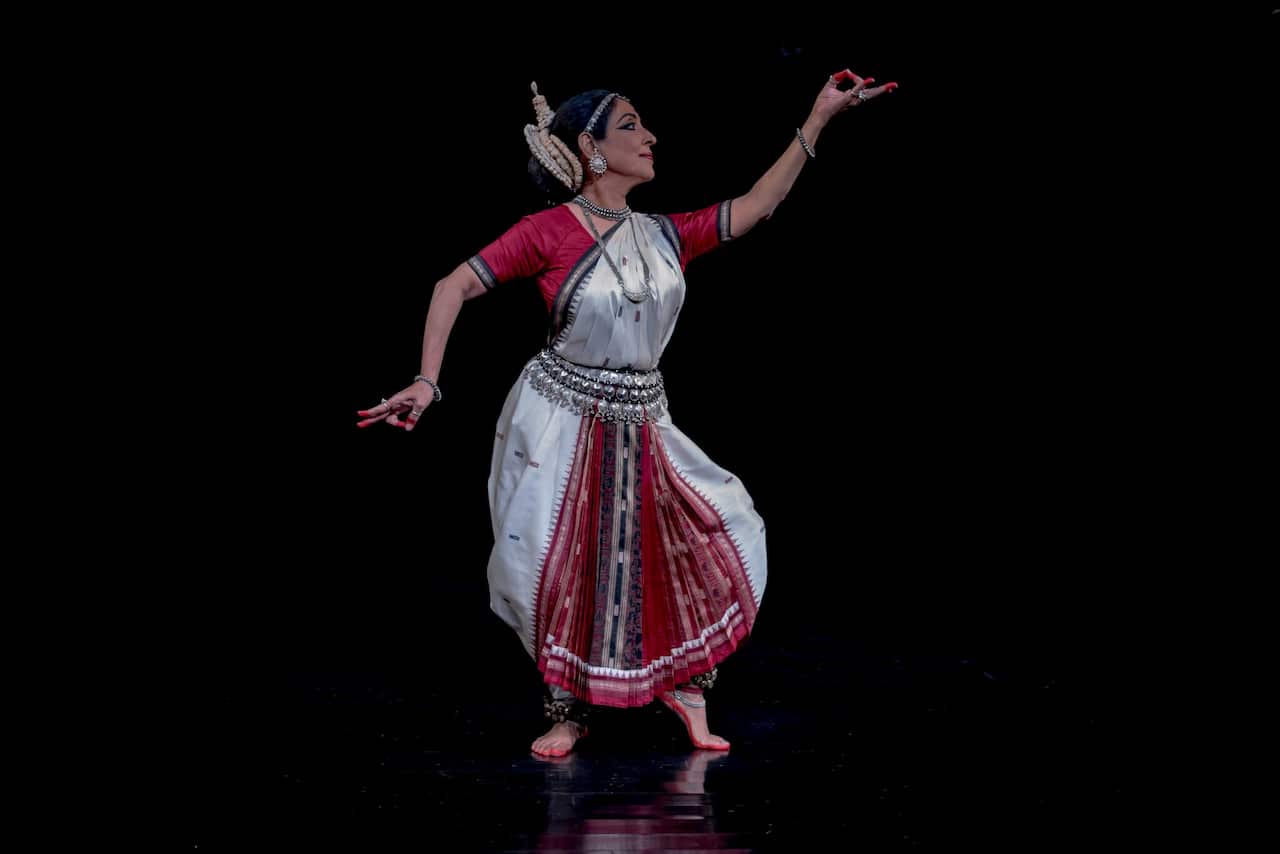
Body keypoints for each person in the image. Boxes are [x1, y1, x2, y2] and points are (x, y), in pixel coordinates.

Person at [357, 70, 898, 757]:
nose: (651, 138)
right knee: (563, 562)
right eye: (632, 127)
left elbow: (759, 205)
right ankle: (569, 709)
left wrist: (819, 118)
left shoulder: (665, 234)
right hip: (562, 416)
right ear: (591, 148)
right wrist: (428, 380)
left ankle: (686, 688)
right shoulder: (548, 231)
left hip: (643, 418)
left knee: (694, 539)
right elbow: (452, 285)